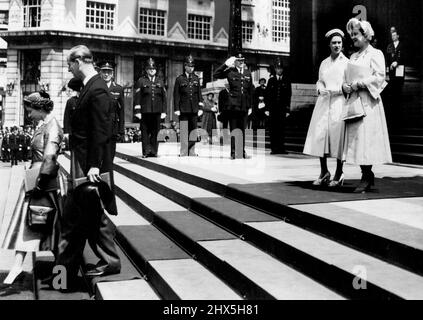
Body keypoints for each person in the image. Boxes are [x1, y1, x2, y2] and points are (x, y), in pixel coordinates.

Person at [53, 45, 121, 288]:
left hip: (88, 168)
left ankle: (61, 279)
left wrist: (93, 166)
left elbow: (101, 132)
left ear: (79, 61)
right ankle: (108, 262)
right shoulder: (90, 89)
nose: (69, 69)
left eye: (69, 64)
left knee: (72, 223)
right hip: (82, 165)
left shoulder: (98, 90)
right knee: (92, 219)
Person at [1, 91, 63, 285]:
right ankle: (18, 265)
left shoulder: (52, 127)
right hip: (36, 179)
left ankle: (63, 270)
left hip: (44, 182)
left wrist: (40, 183)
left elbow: (50, 157)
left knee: (51, 226)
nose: (28, 115)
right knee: (31, 223)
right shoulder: (43, 125)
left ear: (39, 108)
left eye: (30, 110)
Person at [342, 18, 392, 193]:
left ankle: (366, 175)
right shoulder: (353, 56)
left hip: (369, 102)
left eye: (356, 34)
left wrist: (360, 83)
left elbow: (379, 77)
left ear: (366, 35)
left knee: (366, 140)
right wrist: (345, 86)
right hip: (355, 102)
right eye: (352, 35)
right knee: (357, 141)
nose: (353, 37)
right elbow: (346, 77)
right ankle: (365, 173)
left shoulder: (375, 54)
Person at [303, 29, 348, 187]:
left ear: (342, 45)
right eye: (334, 43)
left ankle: (339, 173)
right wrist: (320, 88)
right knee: (321, 135)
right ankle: (324, 172)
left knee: (337, 138)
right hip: (323, 102)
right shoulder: (324, 63)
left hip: (339, 102)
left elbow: (348, 84)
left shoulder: (347, 63)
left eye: (339, 43)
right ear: (329, 45)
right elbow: (320, 80)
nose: (337, 45)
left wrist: (338, 90)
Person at [214, 52, 254, 159]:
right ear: (235, 61)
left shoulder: (248, 73)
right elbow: (216, 74)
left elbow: (250, 91)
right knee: (234, 129)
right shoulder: (230, 71)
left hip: (244, 106)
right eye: (238, 60)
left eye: (242, 60)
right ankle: (233, 152)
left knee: (242, 130)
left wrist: (250, 106)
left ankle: (241, 151)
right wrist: (225, 65)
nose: (241, 62)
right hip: (233, 106)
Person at [134, 58, 167, 158]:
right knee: (145, 132)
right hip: (145, 111)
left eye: (153, 69)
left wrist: (164, 111)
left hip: (157, 111)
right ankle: (146, 151)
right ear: (146, 70)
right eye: (149, 68)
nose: (151, 70)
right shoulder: (141, 81)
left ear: (156, 70)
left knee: (155, 132)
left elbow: (164, 98)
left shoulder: (160, 81)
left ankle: (154, 151)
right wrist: (137, 111)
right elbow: (137, 97)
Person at [173, 55, 204, 156]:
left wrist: (200, 108)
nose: (191, 68)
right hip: (183, 109)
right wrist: (176, 108)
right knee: (184, 130)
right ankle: (183, 151)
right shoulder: (179, 79)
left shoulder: (196, 78)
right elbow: (176, 95)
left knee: (193, 130)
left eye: (192, 66)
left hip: (194, 109)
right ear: (185, 66)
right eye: (189, 66)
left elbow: (199, 94)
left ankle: (191, 151)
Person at [99, 61, 125, 159]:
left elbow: (121, 111)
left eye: (108, 72)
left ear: (112, 74)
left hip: (112, 125)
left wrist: (121, 130)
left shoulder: (118, 89)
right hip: (99, 125)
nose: (106, 74)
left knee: (110, 155)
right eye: (104, 72)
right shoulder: (96, 88)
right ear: (100, 73)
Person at [265, 58, 292, 154]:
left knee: (281, 129)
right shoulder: (271, 81)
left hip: (282, 109)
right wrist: (267, 109)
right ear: (275, 69)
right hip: (272, 109)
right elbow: (267, 95)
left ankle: (281, 148)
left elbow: (288, 96)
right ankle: (274, 148)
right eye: (277, 68)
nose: (279, 70)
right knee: (273, 129)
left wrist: (288, 110)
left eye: (280, 68)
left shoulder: (287, 80)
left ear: (283, 69)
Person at [385, 28, 405, 128]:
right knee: (392, 86)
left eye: (394, 35)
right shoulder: (389, 46)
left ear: (398, 36)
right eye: (392, 35)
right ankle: (393, 106)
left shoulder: (402, 45)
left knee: (399, 86)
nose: (393, 37)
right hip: (392, 69)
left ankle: (399, 105)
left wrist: (397, 61)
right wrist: (389, 66)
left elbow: (403, 56)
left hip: (400, 68)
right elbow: (388, 57)